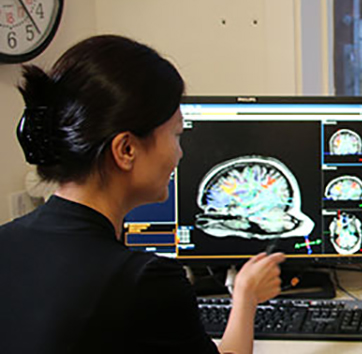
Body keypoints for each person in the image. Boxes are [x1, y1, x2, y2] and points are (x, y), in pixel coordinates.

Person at [0, 35, 285, 354]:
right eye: (176, 135)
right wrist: (245, 297)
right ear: (126, 149)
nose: (179, 154)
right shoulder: (146, 281)